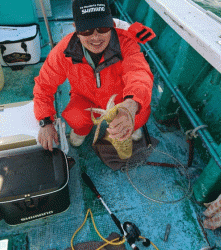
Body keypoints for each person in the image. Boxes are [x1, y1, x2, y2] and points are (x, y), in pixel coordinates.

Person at [33, 0, 154, 151]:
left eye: (102, 28)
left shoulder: (127, 44)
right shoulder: (64, 50)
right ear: (76, 29)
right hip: (86, 97)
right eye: (86, 31)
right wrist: (45, 122)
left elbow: (139, 73)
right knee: (75, 117)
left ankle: (130, 125)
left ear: (111, 25)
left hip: (122, 99)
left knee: (138, 115)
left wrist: (130, 105)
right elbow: (44, 85)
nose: (96, 37)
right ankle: (81, 131)